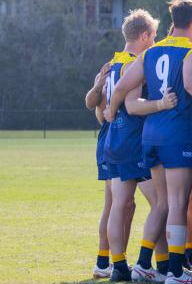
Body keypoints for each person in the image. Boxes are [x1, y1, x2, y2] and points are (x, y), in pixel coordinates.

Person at [107, 0, 192, 284]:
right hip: (177, 135)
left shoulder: (150, 52)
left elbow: (121, 86)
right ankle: (176, 273)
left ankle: (143, 264)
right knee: (177, 202)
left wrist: (110, 110)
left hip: (150, 135)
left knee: (163, 203)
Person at [100, 9, 173, 282]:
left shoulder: (112, 62)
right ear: (144, 36)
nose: (154, 42)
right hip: (133, 141)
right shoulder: (135, 63)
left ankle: (118, 265)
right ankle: (158, 265)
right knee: (162, 203)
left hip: (114, 140)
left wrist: (108, 111)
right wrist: (160, 105)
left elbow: (105, 106)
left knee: (120, 204)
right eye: (153, 37)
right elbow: (131, 106)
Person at [85, 64, 115, 279]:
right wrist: (98, 84)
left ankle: (108, 261)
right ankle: (105, 262)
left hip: (118, 137)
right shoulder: (110, 69)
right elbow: (90, 103)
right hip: (113, 137)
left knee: (121, 204)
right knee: (115, 204)